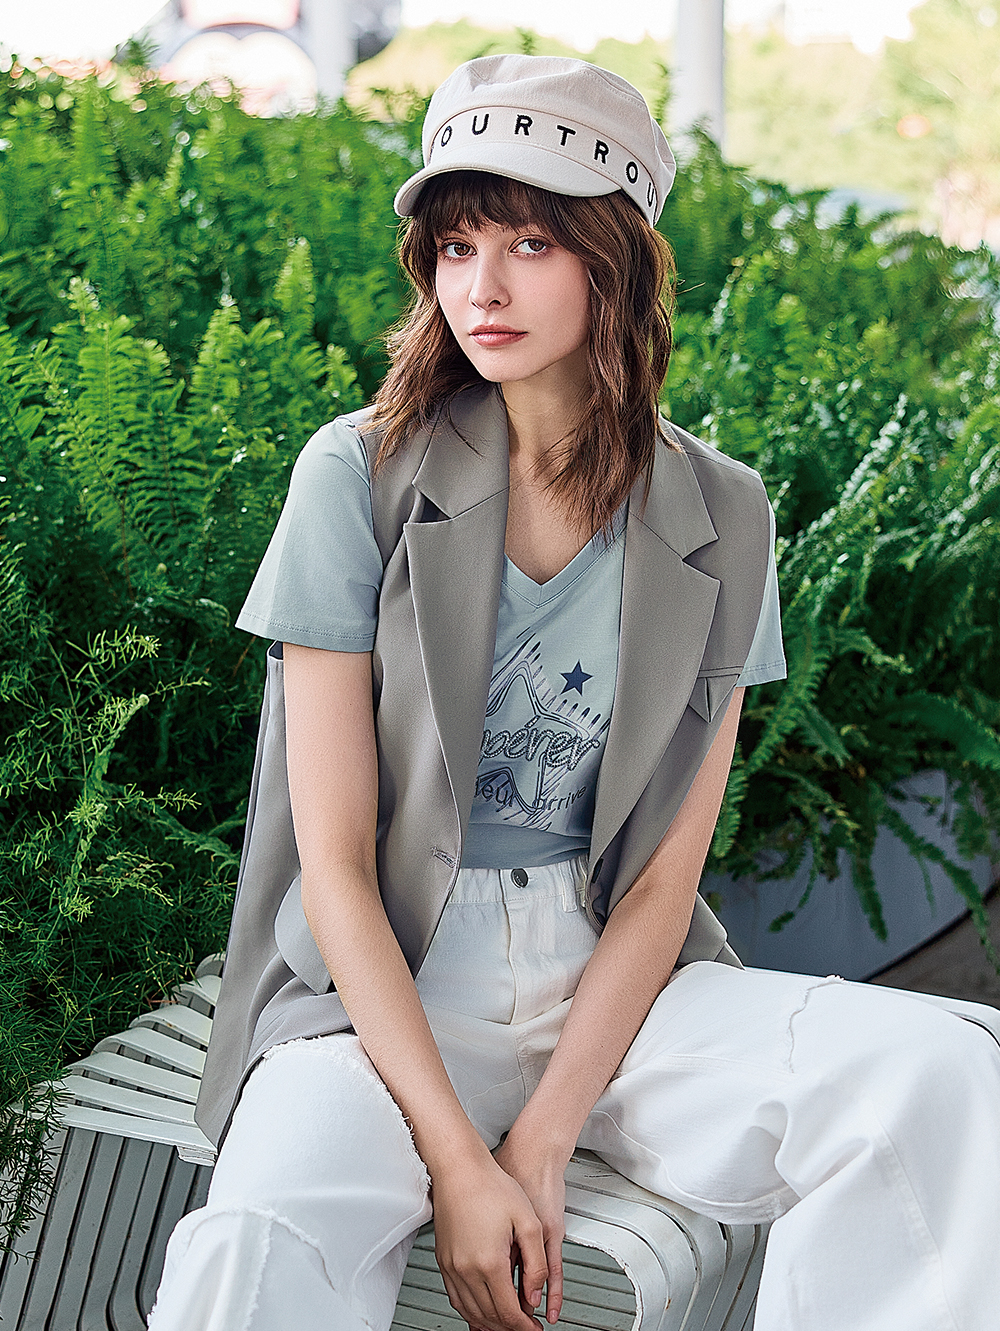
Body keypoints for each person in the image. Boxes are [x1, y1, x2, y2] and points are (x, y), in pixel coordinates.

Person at [149, 55, 1000, 1331]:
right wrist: (458, 1159)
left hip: (615, 990)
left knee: (943, 1069)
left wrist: (540, 1139)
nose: (480, 289)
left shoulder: (723, 512)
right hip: (380, 992)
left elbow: (660, 883)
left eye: (530, 244)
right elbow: (333, 864)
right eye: (457, 247)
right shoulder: (358, 474)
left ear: (614, 263)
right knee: (260, 1232)